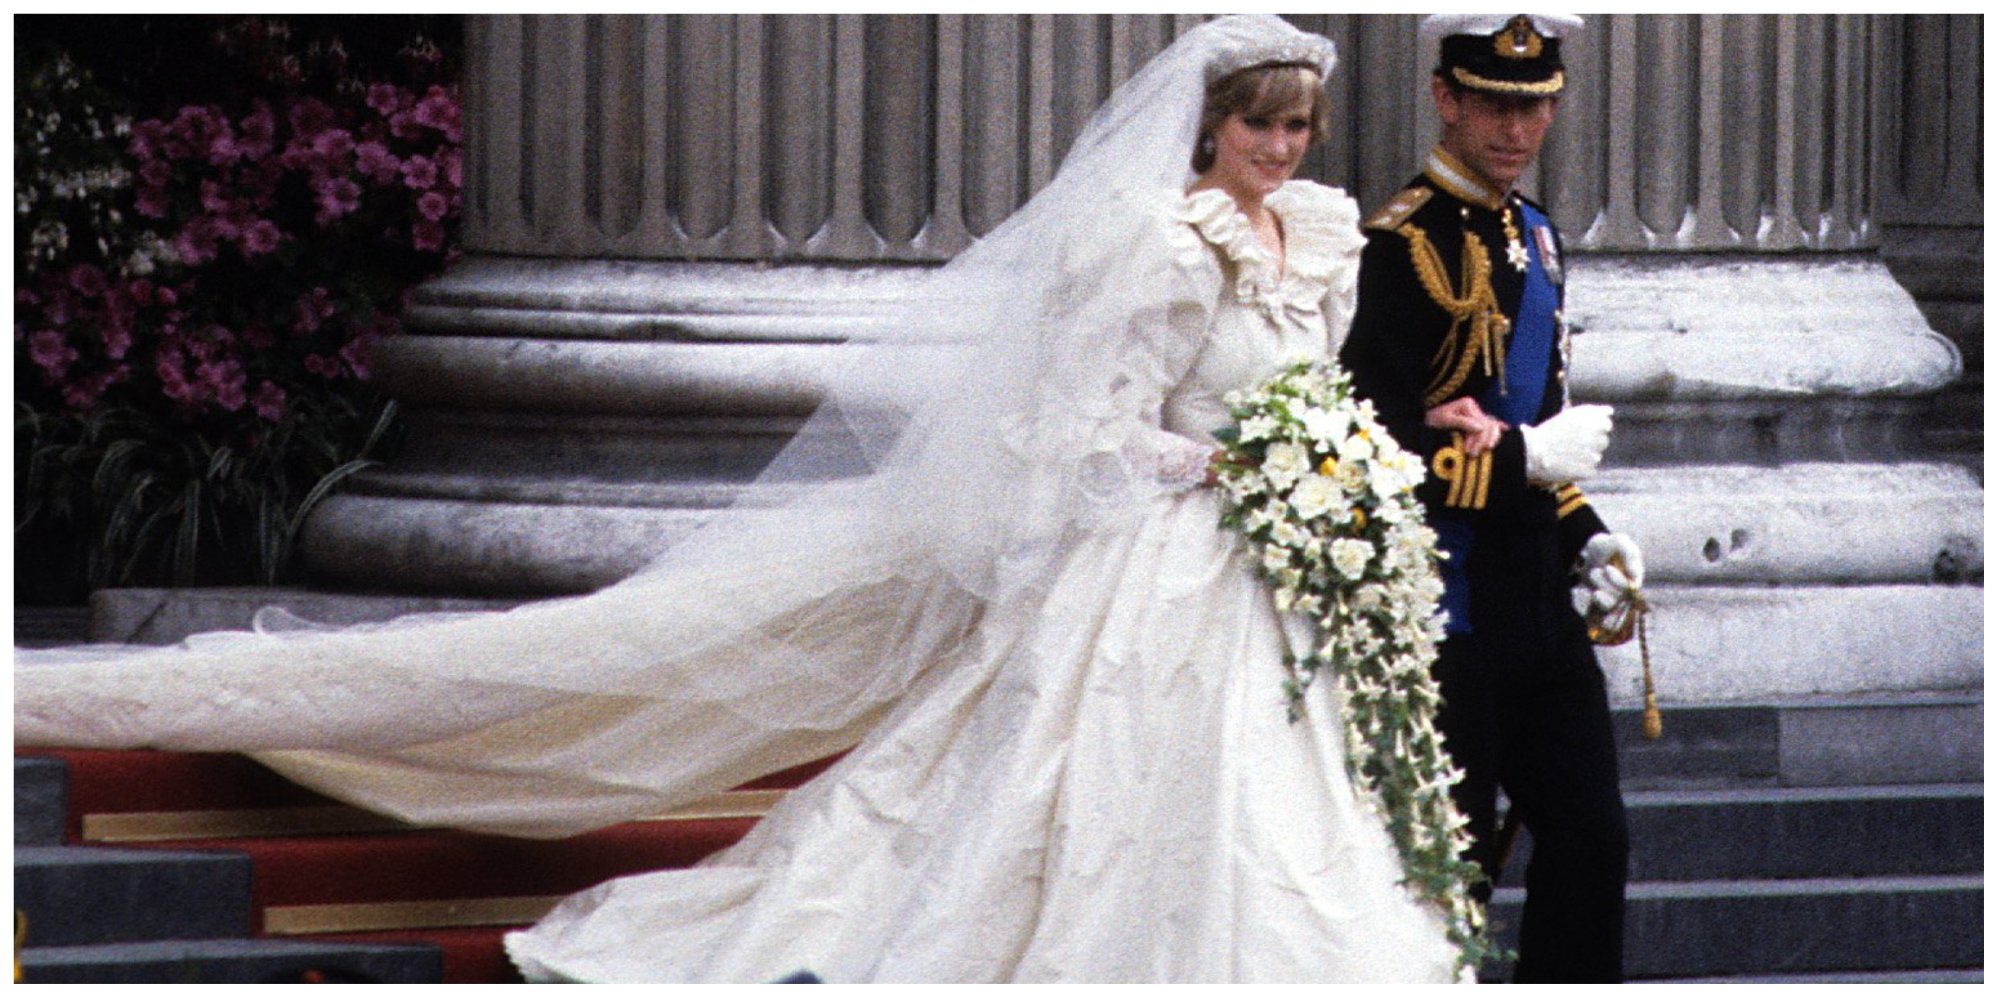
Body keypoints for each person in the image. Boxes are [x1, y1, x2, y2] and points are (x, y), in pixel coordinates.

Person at [18, 15, 1463, 982]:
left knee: (1292, 798)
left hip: (1270, 565)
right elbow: (1088, 431)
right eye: (1263, 129)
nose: (1284, 153)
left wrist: (1322, 463)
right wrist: (1233, 464)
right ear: (1209, 127)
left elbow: (1308, 387)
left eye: (1301, 131)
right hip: (1162, 550)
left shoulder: (1315, 237)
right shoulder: (1157, 243)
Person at [1337, 13, 1642, 983]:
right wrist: (1523, 462)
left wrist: (1587, 535)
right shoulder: (1395, 247)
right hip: (1442, 608)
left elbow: (1535, 417)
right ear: (1445, 98)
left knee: (1591, 840)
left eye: (1534, 106)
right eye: (1494, 105)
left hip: (1535, 605)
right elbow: (1371, 452)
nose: (1515, 128)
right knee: (1449, 865)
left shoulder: (1537, 236)